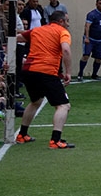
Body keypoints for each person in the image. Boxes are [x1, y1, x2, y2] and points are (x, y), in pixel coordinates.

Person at [15, 10, 75, 149]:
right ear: (60, 21)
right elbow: (66, 50)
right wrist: (68, 72)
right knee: (63, 105)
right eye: (67, 21)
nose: (68, 24)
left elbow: (17, 38)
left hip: (29, 71)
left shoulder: (37, 30)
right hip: (46, 71)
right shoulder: (62, 32)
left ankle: (22, 134)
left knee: (36, 101)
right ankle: (55, 140)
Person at [77, 0, 101, 81]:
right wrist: (87, 37)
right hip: (90, 39)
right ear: (96, 4)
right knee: (86, 55)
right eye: (100, 4)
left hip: (99, 40)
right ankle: (80, 74)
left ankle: (94, 74)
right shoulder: (92, 14)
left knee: (98, 58)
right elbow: (87, 26)